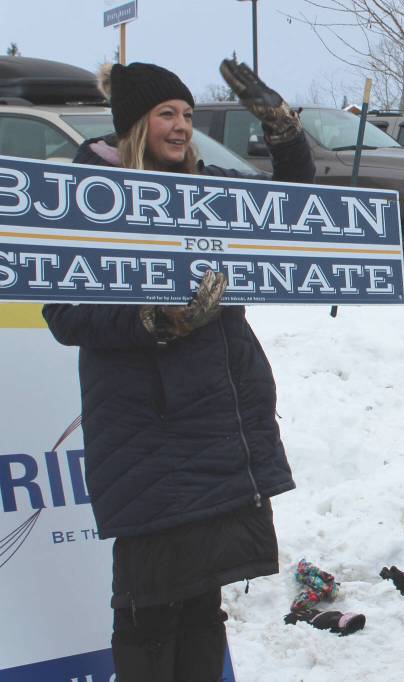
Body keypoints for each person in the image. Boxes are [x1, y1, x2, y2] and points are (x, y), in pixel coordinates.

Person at [42, 59, 314, 680]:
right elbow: (62, 312)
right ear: (135, 122)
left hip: (218, 424)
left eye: (189, 115)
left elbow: (294, 205)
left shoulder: (205, 186)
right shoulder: (86, 197)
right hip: (147, 431)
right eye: (167, 113)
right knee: (149, 606)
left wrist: (281, 128)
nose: (181, 126)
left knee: (202, 601)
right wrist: (151, 322)